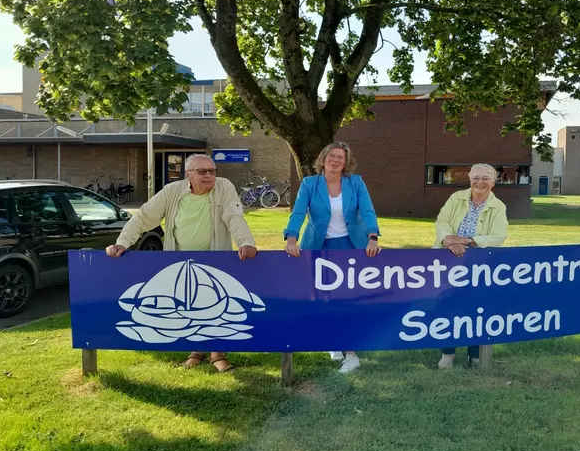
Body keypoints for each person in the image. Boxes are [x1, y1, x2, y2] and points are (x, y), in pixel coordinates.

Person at [105, 154, 257, 373]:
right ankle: (196, 352)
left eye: (212, 171)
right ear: (188, 174)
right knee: (187, 306)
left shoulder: (224, 186)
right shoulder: (172, 191)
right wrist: (123, 242)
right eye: (202, 171)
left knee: (214, 306)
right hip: (179, 262)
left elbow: (234, 216)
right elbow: (144, 216)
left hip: (215, 258)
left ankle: (218, 355)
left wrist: (245, 242)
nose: (209, 176)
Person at [283, 141, 381, 373]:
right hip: (318, 246)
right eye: (332, 156)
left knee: (347, 298)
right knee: (323, 297)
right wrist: (291, 238)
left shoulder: (355, 182)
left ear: (346, 162)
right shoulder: (309, 183)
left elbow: (367, 210)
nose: (336, 160)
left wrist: (373, 236)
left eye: (341, 157)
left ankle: (351, 353)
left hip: (349, 246)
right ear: (323, 159)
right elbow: (298, 213)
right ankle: (335, 342)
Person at [432, 163, 509, 369]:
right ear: (469, 178)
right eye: (476, 178)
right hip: (449, 259)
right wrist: (449, 240)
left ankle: (475, 354)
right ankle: (447, 353)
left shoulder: (498, 206)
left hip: (479, 264)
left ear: (493, 182)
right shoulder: (456, 198)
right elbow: (442, 221)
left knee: (477, 308)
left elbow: (499, 236)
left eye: (485, 178)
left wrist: (467, 241)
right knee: (448, 307)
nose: (480, 182)